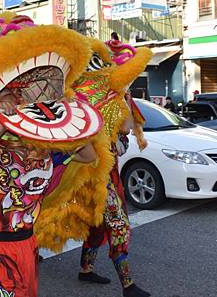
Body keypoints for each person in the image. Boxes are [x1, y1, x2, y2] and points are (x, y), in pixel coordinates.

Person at [0, 87, 97, 297]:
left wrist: (65, 116)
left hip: (28, 246)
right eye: (7, 94)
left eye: (21, 95)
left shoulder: (43, 149)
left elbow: (88, 155)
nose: (16, 99)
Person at [78, 101, 150, 297]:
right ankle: (127, 285)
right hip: (95, 178)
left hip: (104, 175)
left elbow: (124, 131)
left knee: (97, 224)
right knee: (118, 225)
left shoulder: (110, 97)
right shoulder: (87, 100)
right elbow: (125, 129)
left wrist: (123, 97)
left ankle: (86, 269)